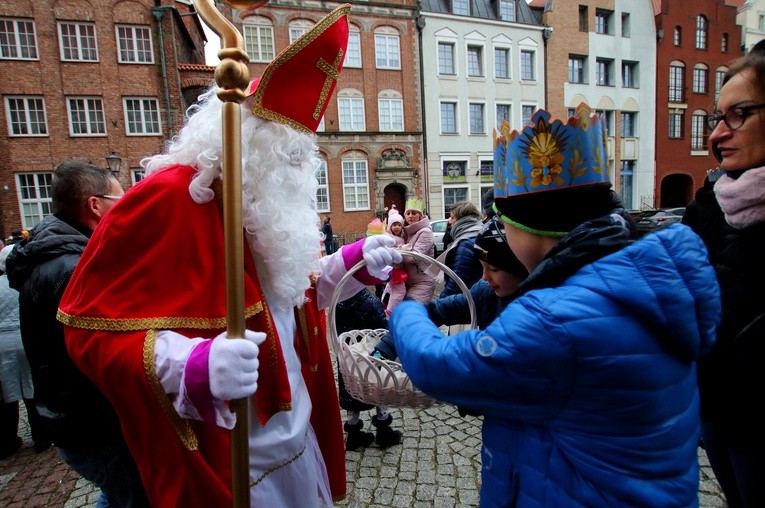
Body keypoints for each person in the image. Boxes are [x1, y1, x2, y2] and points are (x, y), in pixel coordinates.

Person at [57, 6, 401, 506]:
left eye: (303, 155)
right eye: (289, 153)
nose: (299, 169)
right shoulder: (170, 198)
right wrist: (190, 365)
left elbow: (289, 299)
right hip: (231, 461)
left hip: (297, 442)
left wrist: (351, 262)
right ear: (248, 144)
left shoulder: (266, 207)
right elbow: (88, 330)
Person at [388, 105, 720, 507]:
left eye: (505, 225)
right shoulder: (633, 284)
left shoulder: (557, 318)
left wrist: (405, 312)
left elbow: (435, 363)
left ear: (530, 228)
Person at [5, 161, 149, 506]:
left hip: (74, 419)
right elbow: (102, 350)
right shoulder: (73, 267)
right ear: (95, 205)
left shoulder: (59, 254)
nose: (126, 204)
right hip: (93, 423)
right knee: (132, 497)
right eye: (120, 198)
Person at [698, 48, 765, 508]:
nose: (719, 134)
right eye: (718, 117)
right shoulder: (715, 200)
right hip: (719, 414)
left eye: (739, 115)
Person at [335, 287, 402, 451]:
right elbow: (384, 331)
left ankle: (354, 434)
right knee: (379, 389)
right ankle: (383, 429)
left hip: (349, 359)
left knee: (352, 391)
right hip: (371, 358)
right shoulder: (371, 303)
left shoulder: (337, 305)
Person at [0, 244, 38, 459]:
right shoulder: (24, 283)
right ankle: (41, 435)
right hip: (24, 337)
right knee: (32, 387)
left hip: (2, 343)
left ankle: (7, 440)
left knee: (7, 394)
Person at [437, 200, 483, 298]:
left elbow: (458, 280)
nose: (449, 221)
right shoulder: (480, 233)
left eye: (452, 217)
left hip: (469, 297)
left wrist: (441, 301)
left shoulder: (465, 243)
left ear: (462, 220)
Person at [681, 168, 726, 265]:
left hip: (698, 250)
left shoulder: (694, 204)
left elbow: (684, 229)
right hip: (722, 251)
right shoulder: (726, 204)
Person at [399, 197, 436, 303]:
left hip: (423, 282)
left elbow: (414, 257)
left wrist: (396, 252)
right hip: (407, 281)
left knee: (413, 312)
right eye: (408, 213)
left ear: (420, 216)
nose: (410, 216)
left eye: (414, 213)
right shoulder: (406, 232)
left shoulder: (425, 232)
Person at [380, 209, 407, 314]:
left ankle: (383, 302)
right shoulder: (389, 238)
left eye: (399, 225)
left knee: (391, 287)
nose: (397, 227)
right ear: (390, 226)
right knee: (400, 291)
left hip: (396, 268)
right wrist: (400, 249)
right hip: (394, 268)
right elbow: (388, 252)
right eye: (394, 225)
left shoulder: (400, 237)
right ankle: (390, 311)